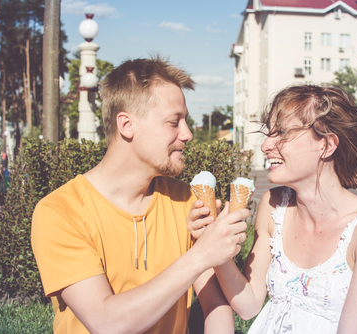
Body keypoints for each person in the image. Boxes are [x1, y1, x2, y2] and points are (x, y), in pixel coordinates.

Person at [31, 56, 250, 334]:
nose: (188, 134)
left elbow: (215, 303)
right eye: (174, 122)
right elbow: (106, 322)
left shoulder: (185, 200)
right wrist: (201, 256)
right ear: (126, 125)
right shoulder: (60, 211)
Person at [189, 83, 357, 333]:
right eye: (270, 132)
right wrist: (215, 244)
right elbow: (249, 305)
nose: (266, 145)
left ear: (327, 145)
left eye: (282, 133)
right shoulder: (273, 205)